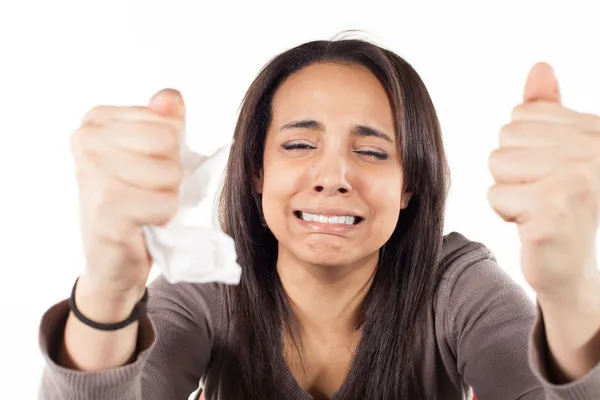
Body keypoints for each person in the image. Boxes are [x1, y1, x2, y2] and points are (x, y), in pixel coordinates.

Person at [38, 38, 600, 400]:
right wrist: (109, 290)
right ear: (256, 172)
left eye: (374, 152)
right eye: (300, 144)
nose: (333, 177)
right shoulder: (207, 289)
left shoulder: (457, 285)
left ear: (409, 187)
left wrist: (570, 291)